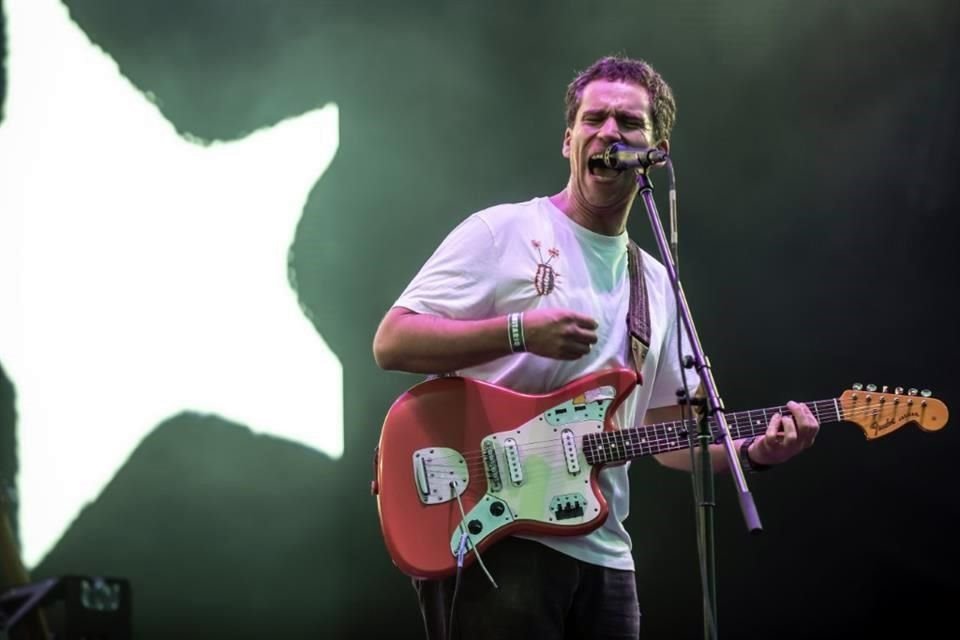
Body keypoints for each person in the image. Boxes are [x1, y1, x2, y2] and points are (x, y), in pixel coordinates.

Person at [372, 55, 819, 640]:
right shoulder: (503, 231)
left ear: (655, 153)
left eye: (629, 124)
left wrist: (753, 452)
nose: (610, 132)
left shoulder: (656, 282)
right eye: (594, 119)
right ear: (569, 139)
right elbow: (393, 340)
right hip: (498, 533)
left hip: (605, 554)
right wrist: (519, 331)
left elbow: (665, 434)